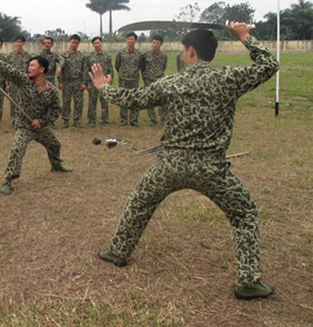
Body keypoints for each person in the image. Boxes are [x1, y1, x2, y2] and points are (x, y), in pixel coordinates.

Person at [89, 22, 278, 300]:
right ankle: (248, 282)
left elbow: (134, 99)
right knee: (245, 215)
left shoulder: (172, 82)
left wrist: (105, 88)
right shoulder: (228, 79)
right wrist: (245, 37)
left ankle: (118, 251)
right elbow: (269, 64)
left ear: (190, 52)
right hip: (212, 168)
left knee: (140, 202)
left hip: (171, 165)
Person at [0, 50, 72, 196]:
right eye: (28, 65)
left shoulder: (51, 91)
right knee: (17, 149)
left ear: (42, 69)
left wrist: (41, 122)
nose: (29, 68)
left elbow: (55, 110)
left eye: (32, 65)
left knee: (55, 145)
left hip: (40, 127)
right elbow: (8, 71)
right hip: (24, 126)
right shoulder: (24, 81)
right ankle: (8, 180)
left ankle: (56, 165)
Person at [57, 34, 89, 128]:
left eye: (76, 43)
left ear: (79, 44)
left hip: (78, 82)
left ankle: (77, 120)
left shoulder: (82, 56)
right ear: (69, 42)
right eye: (73, 42)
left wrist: (84, 83)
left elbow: (85, 70)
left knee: (78, 102)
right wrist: (60, 82)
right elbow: (60, 70)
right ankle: (65, 120)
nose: (74, 45)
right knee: (66, 102)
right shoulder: (63, 56)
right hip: (66, 82)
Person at [115, 32, 142, 126]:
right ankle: (123, 120)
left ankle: (134, 120)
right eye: (128, 39)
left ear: (135, 40)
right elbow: (117, 65)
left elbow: (140, 66)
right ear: (126, 40)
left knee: (134, 100)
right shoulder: (121, 52)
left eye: (132, 39)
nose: (130, 41)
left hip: (134, 79)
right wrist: (123, 73)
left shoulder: (139, 53)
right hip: (123, 79)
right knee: (123, 99)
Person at [140, 35, 168, 126]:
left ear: (161, 44)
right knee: (150, 100)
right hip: (149, 80)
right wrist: (145, 76)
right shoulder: (145, 54)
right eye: (154, 42)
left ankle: (163, 118)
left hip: (160, 79)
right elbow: (142, 67)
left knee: (162, 100)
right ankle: (152, 119)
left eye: (157, 43)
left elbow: (163, 67)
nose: (155, 45)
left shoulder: (163, 55)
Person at [86, 36, 113, 127]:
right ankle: (91, 120)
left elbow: (110, 69)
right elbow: (87, 71)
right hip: (94, 83)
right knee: (92, 102)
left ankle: (105, 119)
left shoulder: (107, 56)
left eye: (98, 42)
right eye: (95, 43)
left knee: (104, 102)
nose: (97, 45)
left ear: (101, 43)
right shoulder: (90, 57)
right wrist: (88, 84)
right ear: (93, 45)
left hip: (104, 83)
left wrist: (109, 80)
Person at [6, 35, 32, 127]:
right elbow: (6, 70)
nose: (19, 44)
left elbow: (30, 70)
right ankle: (14, 120)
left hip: (24, 83)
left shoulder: (28, 56)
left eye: (21, 42)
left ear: (23, 43)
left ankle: (23, 119)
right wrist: (7, 84)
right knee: (13, 102)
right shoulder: (10, 56)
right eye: (17, 42)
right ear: (15, 43)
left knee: (24, 101)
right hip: (13, 83)